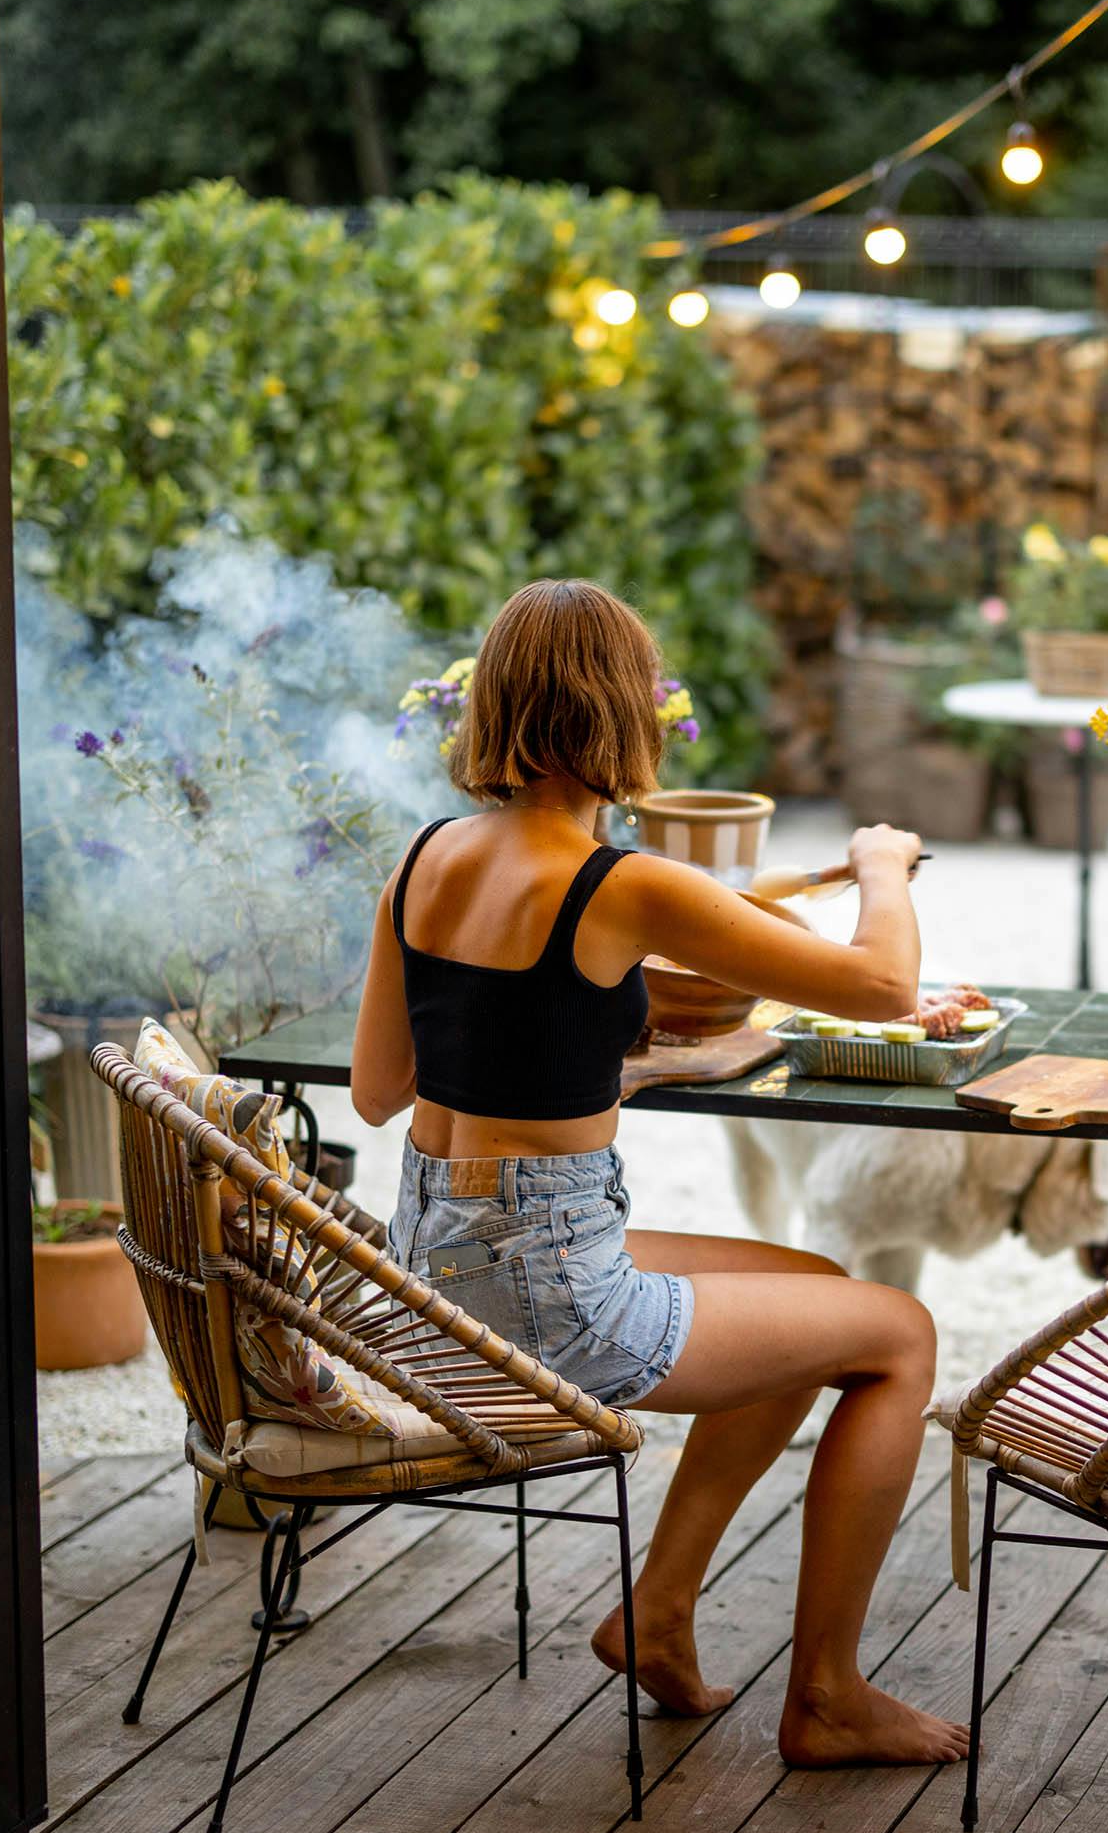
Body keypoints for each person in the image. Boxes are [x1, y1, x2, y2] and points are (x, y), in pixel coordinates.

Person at [349, 579, 966, 1768]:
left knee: (809, 1283)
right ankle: (829, 1694)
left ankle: (660, 1615)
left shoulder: (423, 860)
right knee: (896, 1335)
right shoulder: (619, 884)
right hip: (550, 1292)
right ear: (618, 709)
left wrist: (596, 1075)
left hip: (432, 1268)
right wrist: (882, 867)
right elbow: (886, 992)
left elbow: (383, 1091)